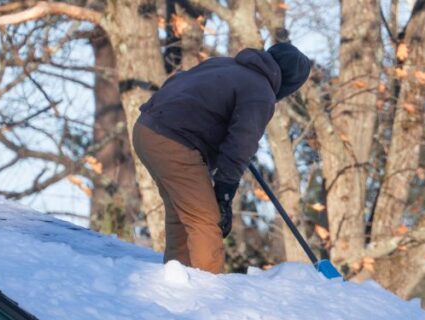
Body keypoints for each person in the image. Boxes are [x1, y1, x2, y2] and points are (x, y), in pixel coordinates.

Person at [132, 43, 311, 273]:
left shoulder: (226, 64)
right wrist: (224, 194)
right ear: (289, 84)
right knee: (206, 220)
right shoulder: (261, 93)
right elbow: (239, 147)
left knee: (184, 213)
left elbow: (178, 81)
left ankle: (178, 280)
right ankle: (208, 294)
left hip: (147, 128)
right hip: (173, 139)